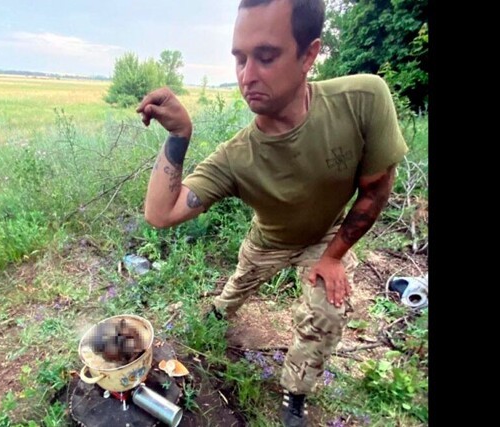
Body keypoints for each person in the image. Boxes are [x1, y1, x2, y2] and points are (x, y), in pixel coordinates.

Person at [136, 0, 408, 425]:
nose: (247, 76)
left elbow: (376, 189)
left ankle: (295, 392)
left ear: (309, 54)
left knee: (327, 314)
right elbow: (160, 213)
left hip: (326, 237)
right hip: (269, 240)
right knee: (240, 283)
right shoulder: (237, 157)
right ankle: (221, 309)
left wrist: (333, 256)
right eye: (240, 59)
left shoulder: (362, 100)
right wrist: (179, 135)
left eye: (265, 56)